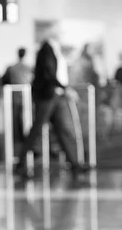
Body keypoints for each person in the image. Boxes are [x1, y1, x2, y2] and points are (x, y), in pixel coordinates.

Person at [15, 25, 88, 180]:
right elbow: (49, 74)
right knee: (37, 129)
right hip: (47, 96)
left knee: (61, 130)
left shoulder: (53, 50)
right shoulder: (46, 50)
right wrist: (65, 88)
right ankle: (20, 164)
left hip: (54, 95)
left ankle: (75, 164)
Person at [2, 48, 33, 146]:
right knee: (26, 121)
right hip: (26, 99)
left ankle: (17, 143)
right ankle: (26, 143)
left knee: (15, 122)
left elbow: (3, 81)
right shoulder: (29, 68)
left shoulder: (11, 68)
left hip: (13, 98)